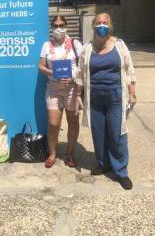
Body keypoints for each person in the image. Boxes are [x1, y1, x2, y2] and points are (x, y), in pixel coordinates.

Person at [74, 13, 136, 190]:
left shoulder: (119, 46)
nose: (102, 26)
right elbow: (81, 73)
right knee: (99, 134)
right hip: (94, 98)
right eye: (98, 23)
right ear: (93, 26)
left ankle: (121, 171)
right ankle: (103, 164)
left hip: (116, 96)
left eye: (105, 23)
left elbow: (129, 70)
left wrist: (133, 94)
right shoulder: (87, 48)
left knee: (117, 134)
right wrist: (79, 95)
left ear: (110, 25)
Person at [39, 15, 82, 168]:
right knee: (53, 123)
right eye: (56, 25)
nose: (59, 28)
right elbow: (41, 66)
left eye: (62, 25)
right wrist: (52, 73)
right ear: (52, 28)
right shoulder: (46, 45)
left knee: (73, 123)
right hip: (53, 89)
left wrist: (73, 78)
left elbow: (83, 66)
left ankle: (70, 154)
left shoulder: (75, 44)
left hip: (72, 89)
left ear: (66, 26)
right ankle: (52, 154)